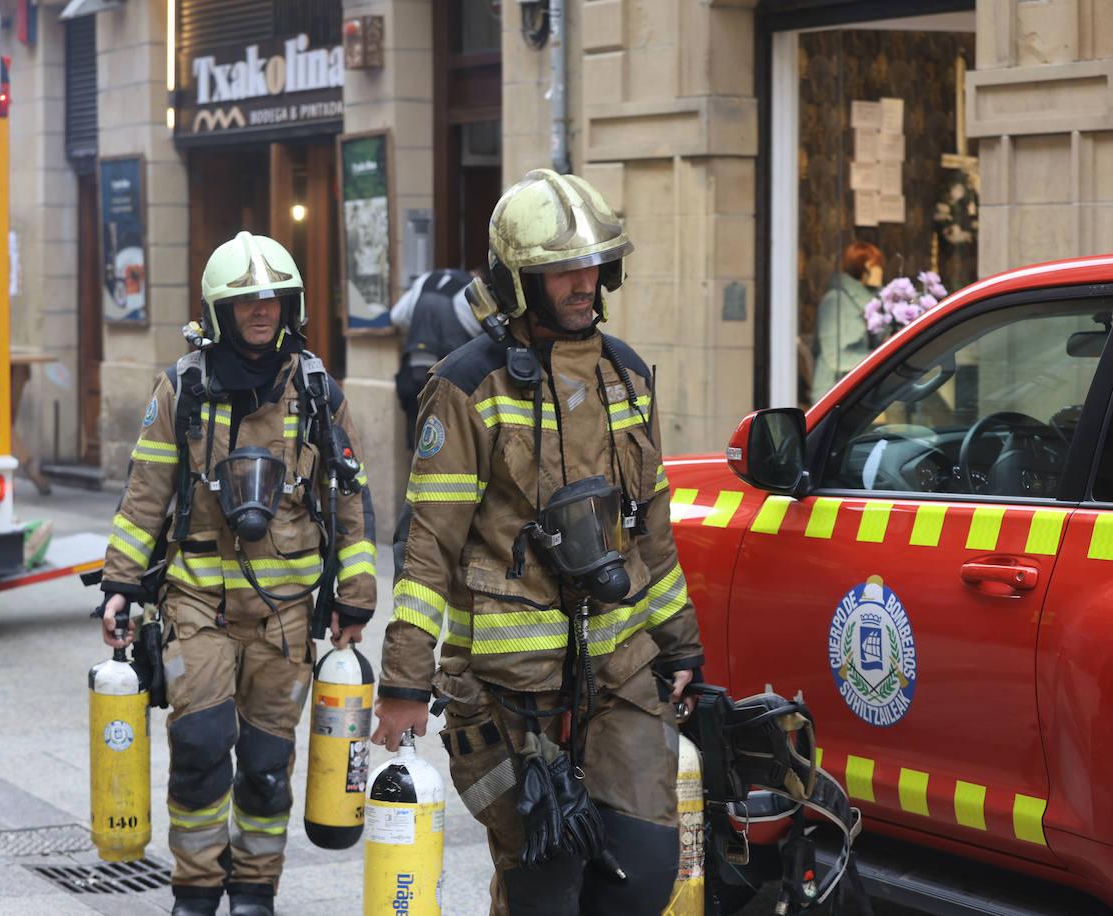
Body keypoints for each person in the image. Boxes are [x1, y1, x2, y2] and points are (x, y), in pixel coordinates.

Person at [371, 169, 704, 916]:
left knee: (642, 874)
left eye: (593, 263)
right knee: (545, 885)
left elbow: (650, 530)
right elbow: (428, 548)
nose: (584, 282)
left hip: (620, 673)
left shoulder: (626, 376)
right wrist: (401, 683)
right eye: (561, 269)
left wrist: (680, 645)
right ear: (519, 279)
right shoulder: (466, 388)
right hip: (508, 691)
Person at [98, 232, 377, 916]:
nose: (262, 311)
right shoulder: (183, 388)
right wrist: (120, 584)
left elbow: (349, 497)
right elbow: (146, 492)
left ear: (292, 306)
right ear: (220, 311)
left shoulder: (316, 391)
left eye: (274, 299)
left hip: (285, 615)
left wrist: (356, 595)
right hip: (198, 603)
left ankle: (254, 889)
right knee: (198, 747)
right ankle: (195, 890)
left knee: (263, 765)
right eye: (247, 301)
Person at [390, 267, 481, 448]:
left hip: (414, 373)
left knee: (419, 441)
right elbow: (483, 334)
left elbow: (397, 317)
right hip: (453, 379)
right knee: (452, 443)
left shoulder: (424, 280)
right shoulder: (473, 289)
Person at [811, 241, 884, 398]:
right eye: (876, 265)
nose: (880, 271)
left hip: (850, 390)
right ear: (864, 267)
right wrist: (877, 358)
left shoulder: (865, 301)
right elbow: (833, 358)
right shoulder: (835, 301)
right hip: (831, 395)